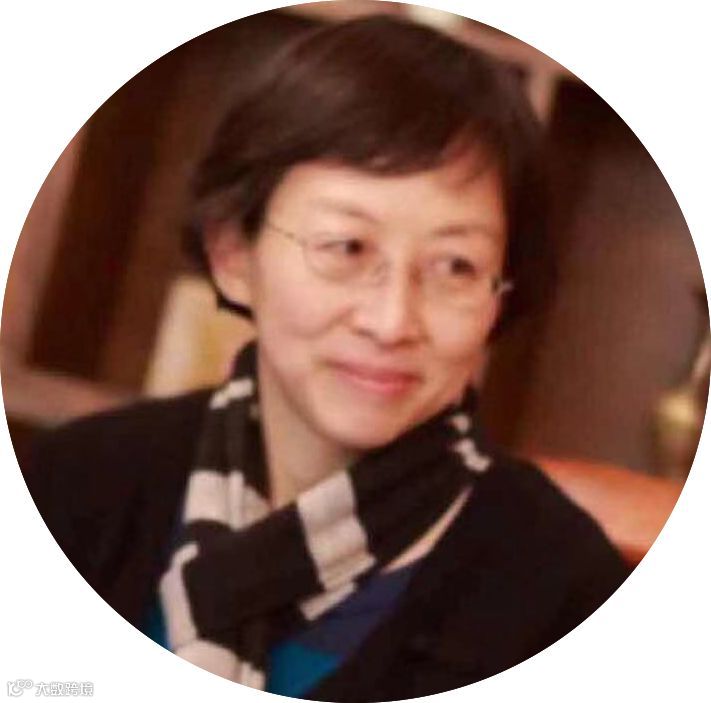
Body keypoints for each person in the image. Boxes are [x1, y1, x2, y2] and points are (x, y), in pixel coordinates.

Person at [27, 14, 629, 701]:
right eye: (346, 247)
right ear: (233, 254)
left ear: (501, 295)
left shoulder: (565, 593)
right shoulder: (76, 486)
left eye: (455, 266)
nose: (391, 320)